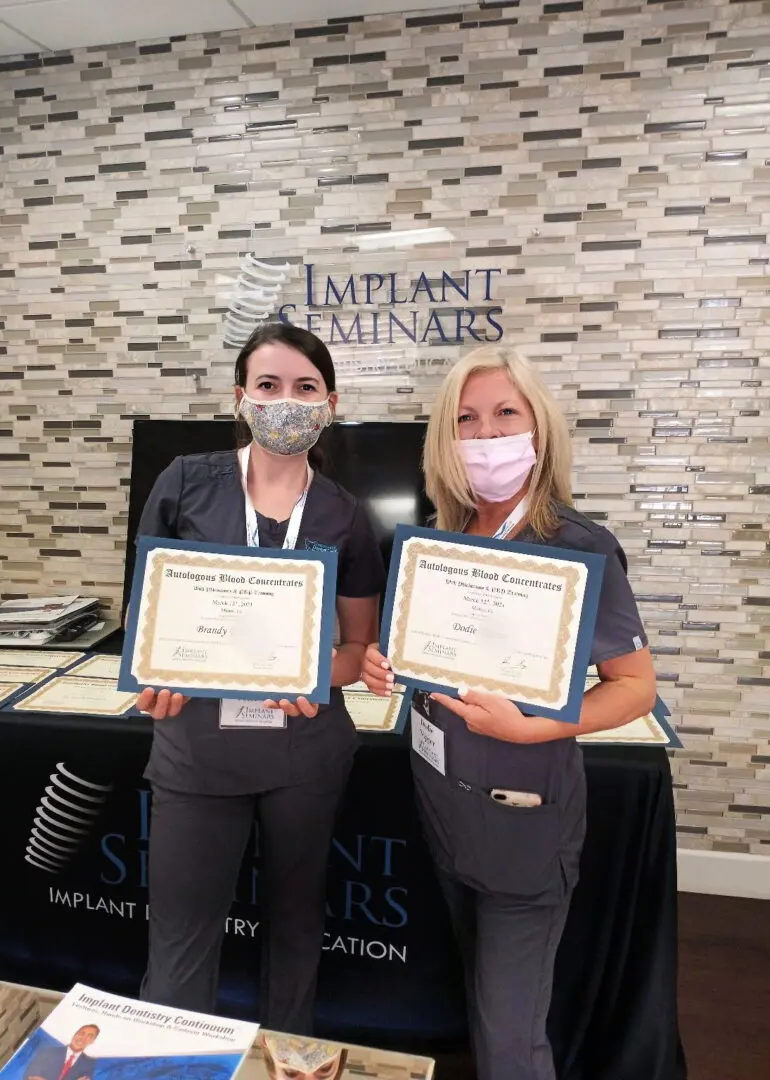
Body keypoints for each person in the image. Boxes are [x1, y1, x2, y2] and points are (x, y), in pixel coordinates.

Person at [361, 345, 656, 1080]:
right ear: (445, 441)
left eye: (505, 415)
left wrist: (534, 726)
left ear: (538, 429)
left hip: (524, 820)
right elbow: (416, 661)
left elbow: (635, 687)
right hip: (442, 804)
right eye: (466, 420)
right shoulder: (437, 541)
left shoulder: (579, 547)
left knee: (507, 1042)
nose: (486, 436)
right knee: (482, 998)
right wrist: (380, 664)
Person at [133, 323, 385, 1034]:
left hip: (304, 754)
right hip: (196, 752)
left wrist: (310, 675)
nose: (286, 402)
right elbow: (150, 623)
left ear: (329, 403)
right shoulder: (184, 482)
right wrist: (155, 676)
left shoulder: (344, 514)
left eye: (305, 388)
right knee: (180, 944)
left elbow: (355, 649)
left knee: (298, 933)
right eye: (268, 386)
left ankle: (289, 1061)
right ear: (241, 397)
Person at [23, 1024, 99, 1080]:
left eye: (90, 1036)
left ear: (92, 1041)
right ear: (75, 1034)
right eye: (81, 1033)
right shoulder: (48, 1052)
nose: (83, 1038)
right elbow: (30, 1076)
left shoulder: (90, 1063)